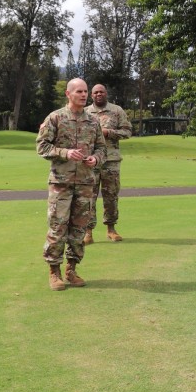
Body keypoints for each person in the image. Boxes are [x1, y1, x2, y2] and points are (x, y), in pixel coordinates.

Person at [36, 78, 106, 290]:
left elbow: (102, 149)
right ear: (68, 94)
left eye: (85, 91)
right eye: (79, 91)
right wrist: (65, 153)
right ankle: (54, 272)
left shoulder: (93, 122)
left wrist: (96, 159)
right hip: (61, 184)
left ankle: (71, 270)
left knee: (78, 230)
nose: (84, 95)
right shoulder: (55, 118)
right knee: (58, 227)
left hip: (85, 184)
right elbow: (42, 147)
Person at [84, 83, 132, 243]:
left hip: (111, 161)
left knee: (111, 196)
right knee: (89, 196)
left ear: (106, 94)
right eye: (96, 92)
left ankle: (111, 229)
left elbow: (127, 132)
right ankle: (88, 232)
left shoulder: (116, 111)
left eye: (102, 92)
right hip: (90, 161)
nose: (99, 94)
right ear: (92, 95)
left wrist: (109, 132)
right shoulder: (84, 112)